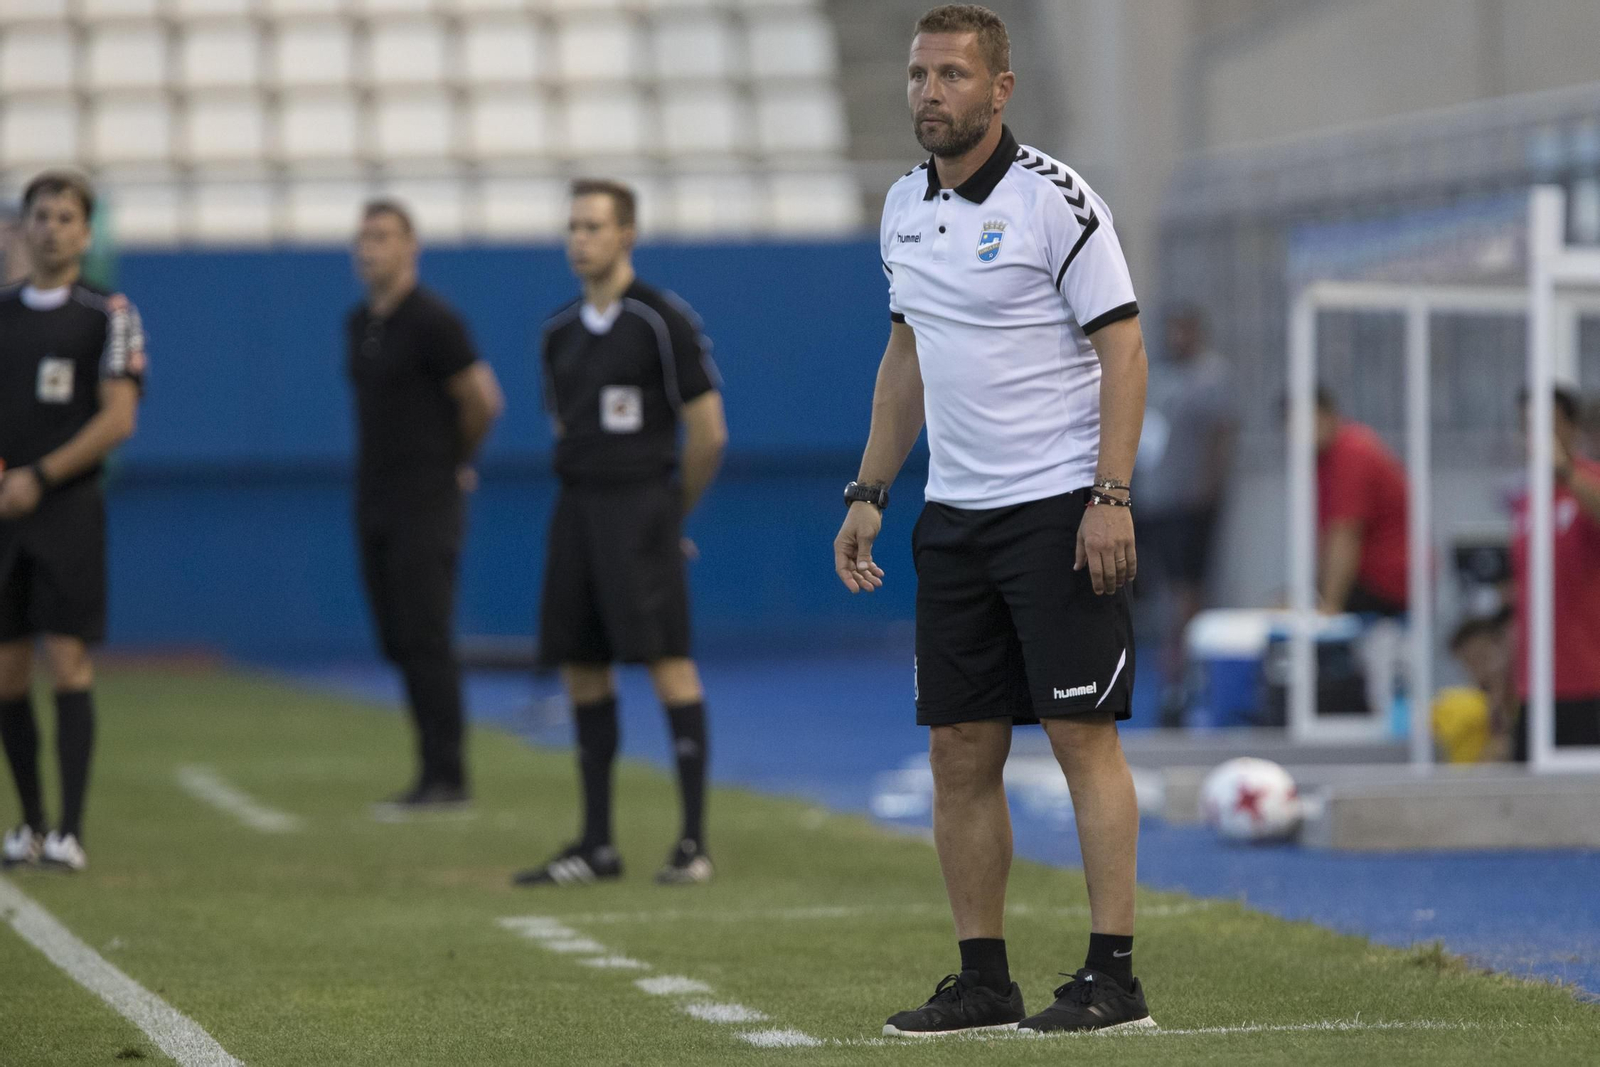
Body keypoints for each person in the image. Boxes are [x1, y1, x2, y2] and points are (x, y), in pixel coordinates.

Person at [833, 4, 1154, 1035]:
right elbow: (904, 361)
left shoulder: (1055, 201)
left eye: (954, 76)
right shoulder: (899, 208)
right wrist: (869, 492)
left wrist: (1109, 496)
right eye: (920, 75)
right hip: (954, 517)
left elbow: (1125, 351)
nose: (931, 92)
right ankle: (984, 979)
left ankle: (1113, 976)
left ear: (1000, 89)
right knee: (958, 752)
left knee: (1078, 734)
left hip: (1057, 507)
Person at [516, 179, 727, 888]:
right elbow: (562, 425)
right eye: (573, 226)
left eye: (594, 226)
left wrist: (673, 515)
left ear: (626, 234)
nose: (580, 239)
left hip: (642, 507)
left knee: (667, 659)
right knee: (581, 662)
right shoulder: (556, 334)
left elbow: (708, 432)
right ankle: (597, 843)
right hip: (576, 507)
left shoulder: (661, 321)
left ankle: (692, 842)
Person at [0, 170, 146, 872]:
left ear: (86, 233)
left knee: (68, 658)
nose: (52, 227)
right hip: (5, 513)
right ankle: (27, 822)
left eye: (65, 217)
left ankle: (70, 829)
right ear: (22, 227)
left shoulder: (107, 313)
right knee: (7, 668)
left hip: (67, 511)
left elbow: (118, 416)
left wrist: (41, 476)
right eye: (41, 215)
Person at [347, 200, 503, 809]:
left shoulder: (436, 320)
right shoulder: (359, 323)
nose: (369, 248)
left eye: (383, 236)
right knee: (396, 637)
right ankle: (430, 768)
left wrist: (454, 460)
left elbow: (483, 401)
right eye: (363, 237)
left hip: (426, 501)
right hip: (374, 499)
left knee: (427, 634)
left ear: (411, 246)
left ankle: (447, 776)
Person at [1136, 305, 1238, 723]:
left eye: (1184, 330)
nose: (1177, 339)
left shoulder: (1212, 377)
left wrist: (1209, 488)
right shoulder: (1159, 376)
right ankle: (1166, 668)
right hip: (1152, 501)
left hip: (1190, 503)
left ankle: (1184, 679)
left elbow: (1223, 433)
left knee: (1187, 591)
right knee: (1155, 588)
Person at [1510, 387, 1600, 758]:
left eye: (1547, 425)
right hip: (1535, 684)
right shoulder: (1529, 500)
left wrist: (1564, 469)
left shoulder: (1588, 482)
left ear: (1571, 428)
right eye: (1528, 426)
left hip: (1589, 679)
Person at [1314, 387, 1408, 616]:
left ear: (1328, 414)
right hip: (1370, 578)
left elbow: (1345, 535)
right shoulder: (1327, 457)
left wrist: (1329, 607)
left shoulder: (1351, 454)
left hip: (1386, 584)